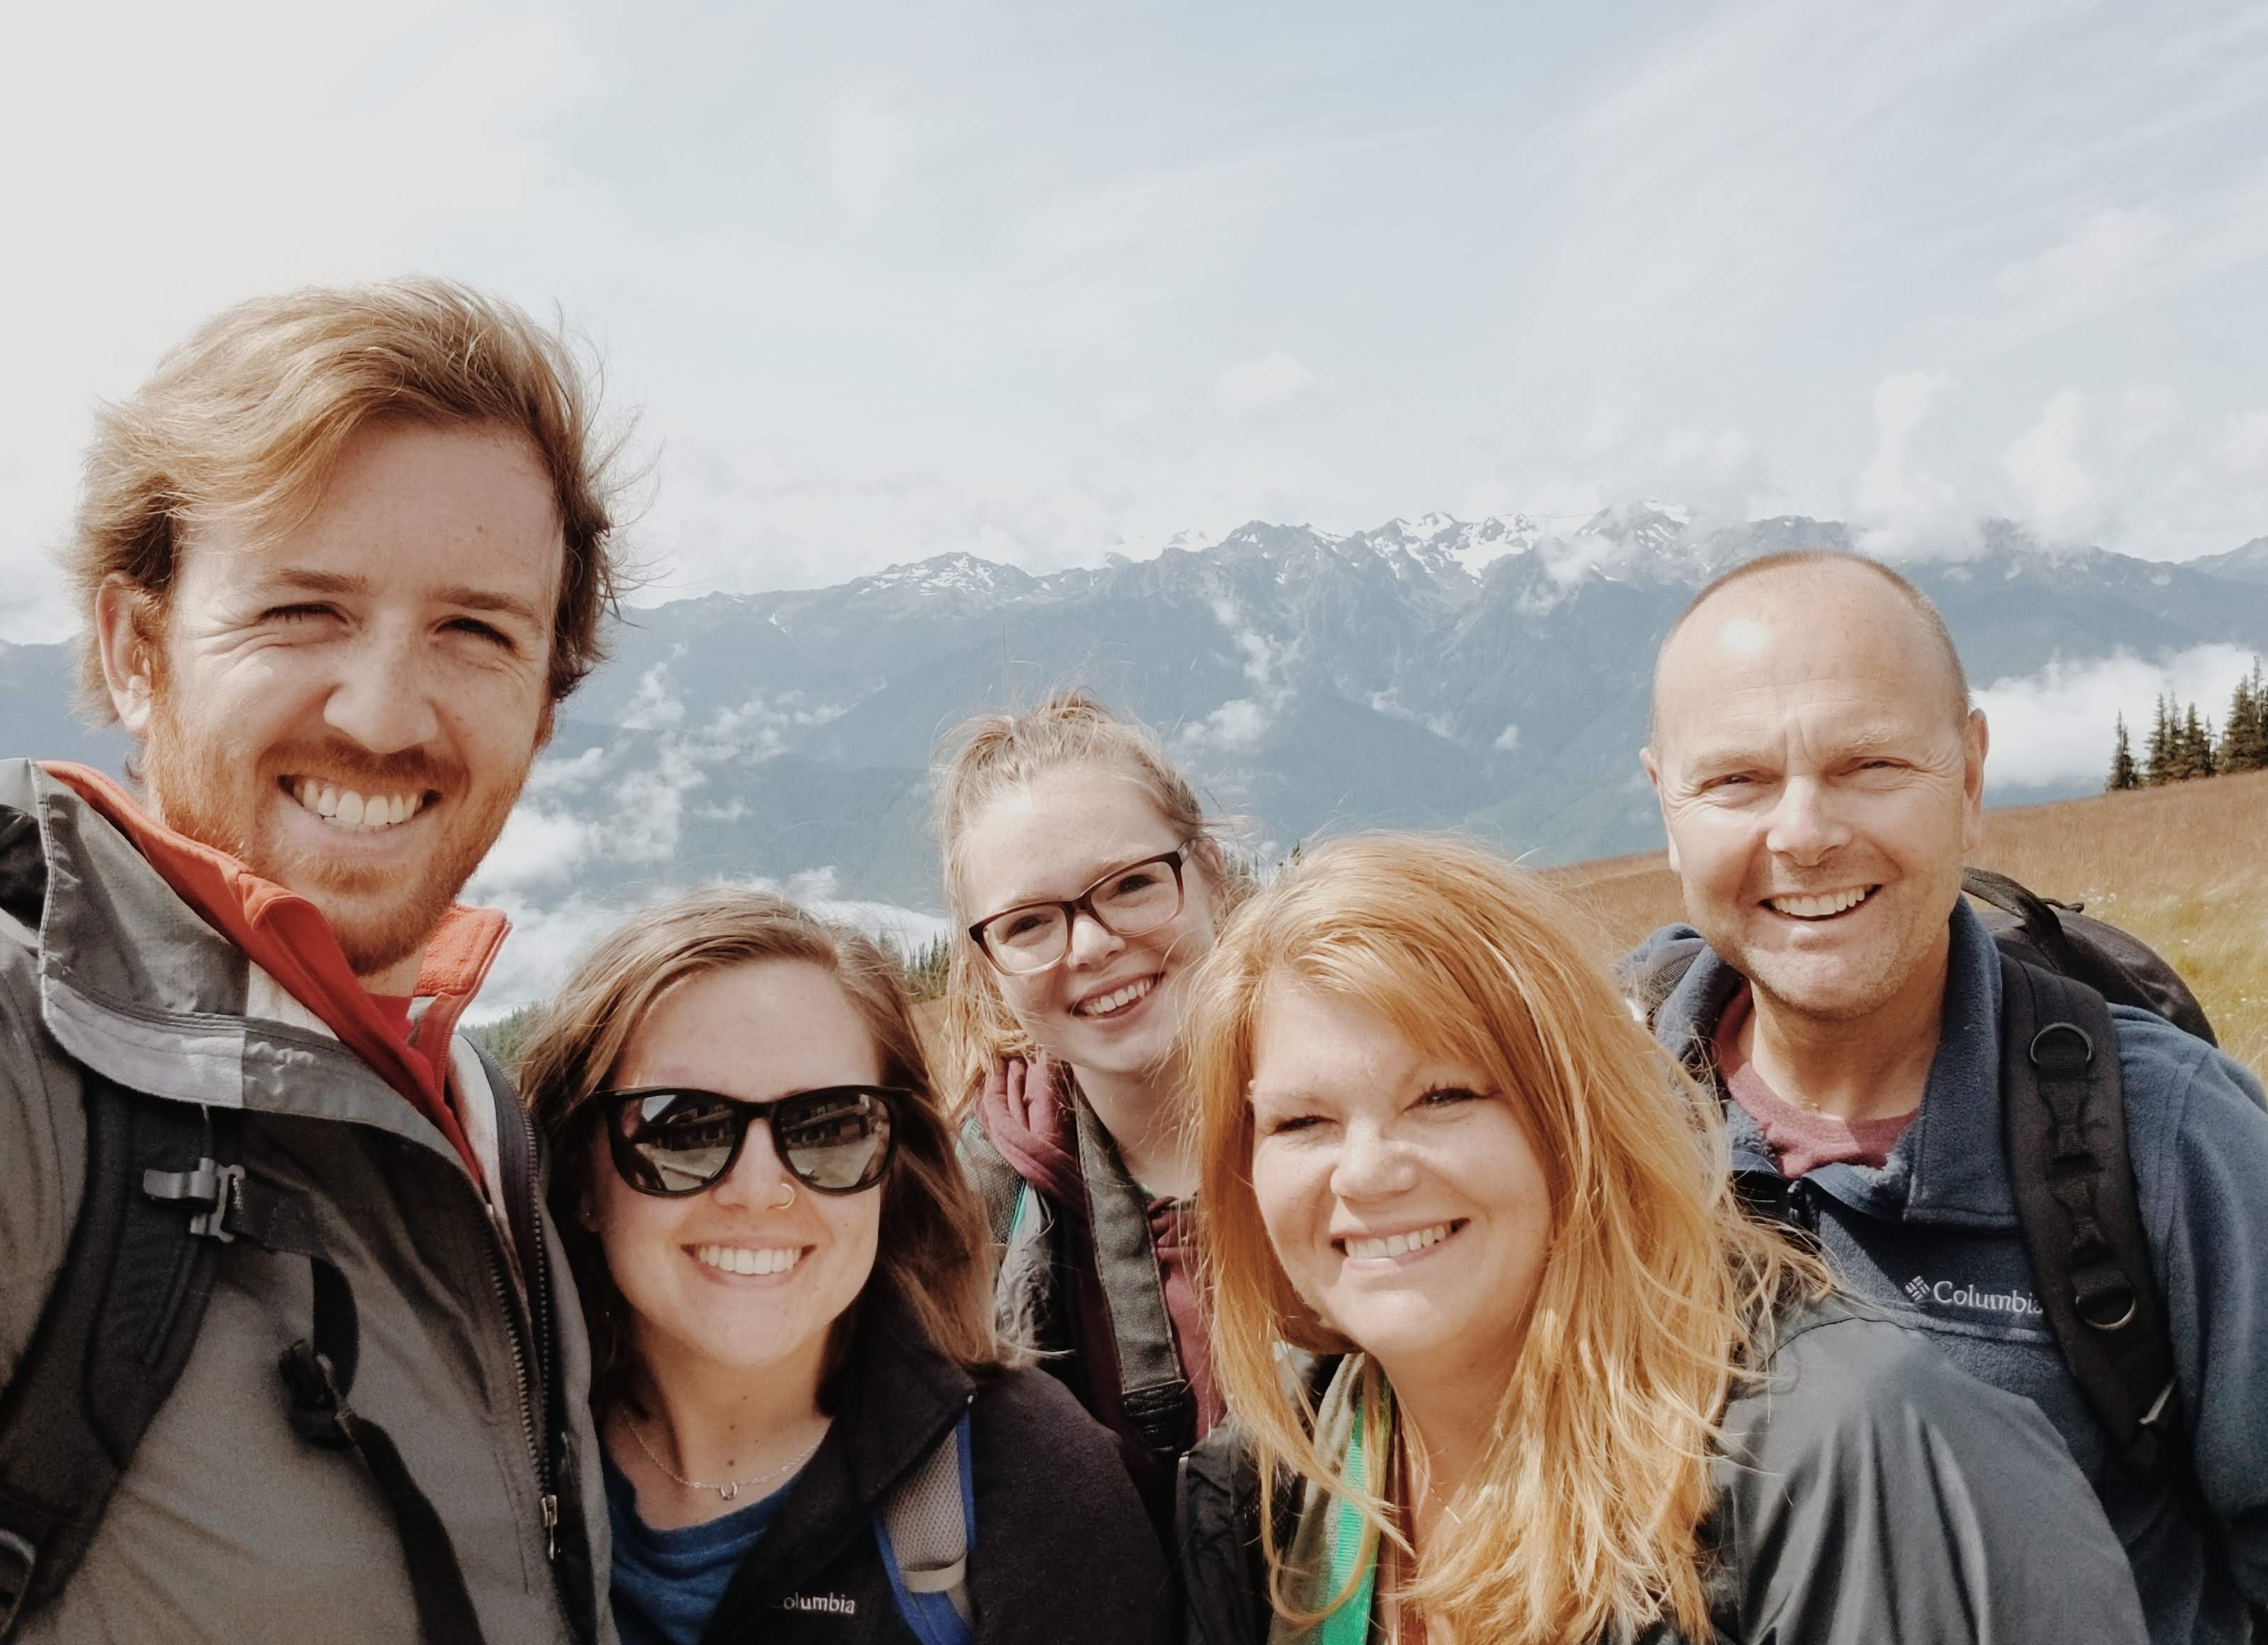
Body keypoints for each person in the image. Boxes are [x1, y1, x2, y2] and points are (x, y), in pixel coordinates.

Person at [0, 281, 626, 1641]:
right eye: (301, 610)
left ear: (544, 700)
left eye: (475, 630)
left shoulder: (476, 1116)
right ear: (136, 649)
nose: (382, 714)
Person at [1177, 833, 2149, 1645]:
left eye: (1443, 1096)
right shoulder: (1287, 1483)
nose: (1366, 1172)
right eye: (1301, 1122)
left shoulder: (1851, 1460)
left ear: (1575, 1121)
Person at [1626, 551, 2268, 1644]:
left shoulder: (2173, 1145)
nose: (1804, 833)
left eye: (1870, 764)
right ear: (1667, 807)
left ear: (1968, 779)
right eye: (1736, 781)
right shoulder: (1583, 1123)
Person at [516, 888, 1170, 1645]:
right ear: (581, 1175)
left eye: (829, 1126)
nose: (760, 1190)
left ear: (893, 1167)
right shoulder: (495, 1463)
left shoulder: (1035, 1485)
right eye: (680, 1128)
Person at [933, 690, 1233, 1529]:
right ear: (988, 963)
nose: (1093, 946)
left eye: (1131, 884)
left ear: (1210, 873)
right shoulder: (959, 1221)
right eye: (1030, 924)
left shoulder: (1371, 1131)